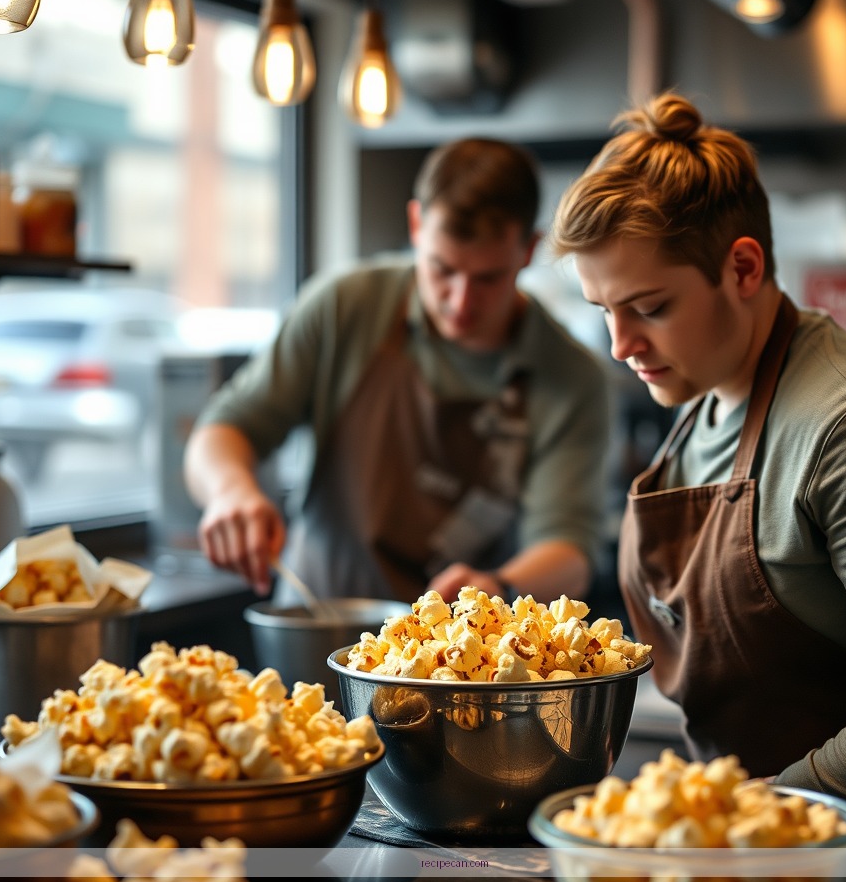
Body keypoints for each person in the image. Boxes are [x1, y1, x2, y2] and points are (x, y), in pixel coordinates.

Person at [548, 91, 846, 843]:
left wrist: (753, 818)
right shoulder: (702, 401)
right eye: (604, 310)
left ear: (742, 267)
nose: (620, 345)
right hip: (741, 858)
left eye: (649, 307)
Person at [184, 137, 610, 608]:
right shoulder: (345, 307)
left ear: (528, 250)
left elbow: (568, 548)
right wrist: (230, 491)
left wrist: (498, 587)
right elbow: (225, 428)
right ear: (416, 225)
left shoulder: (571, 376)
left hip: (454, 642)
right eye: (442, 269)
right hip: (319, 618)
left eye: (488, 278)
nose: (460, 302)